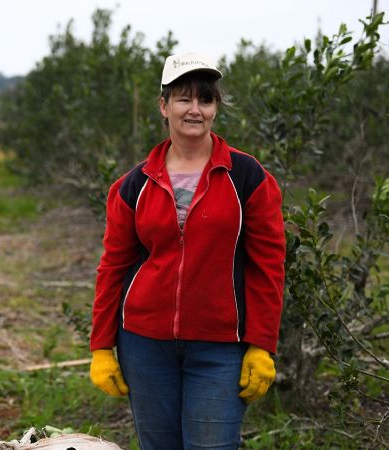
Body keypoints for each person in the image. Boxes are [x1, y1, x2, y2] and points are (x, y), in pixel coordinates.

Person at [89, 52, 285, 450]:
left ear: (215, 108)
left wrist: (262, 344)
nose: (194, 109)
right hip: (144, 345)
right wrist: (101, 347)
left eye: (205, 99)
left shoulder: (248, 178)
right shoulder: (133, 184)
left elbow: (268, 266)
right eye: (183, 98)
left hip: (220, 347)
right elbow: (113, 266)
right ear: (164, 106)